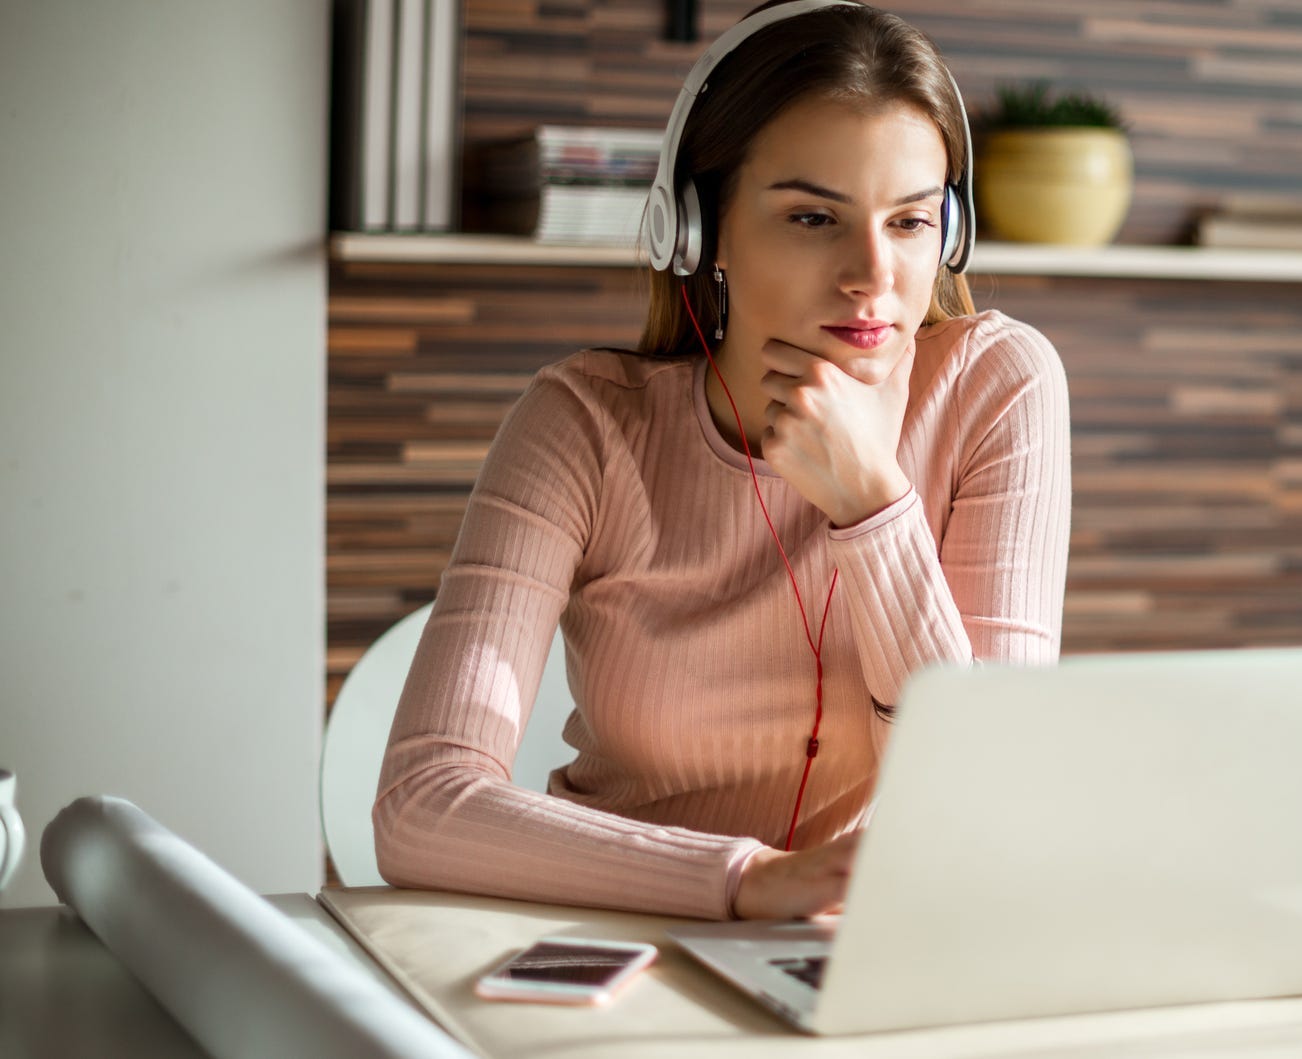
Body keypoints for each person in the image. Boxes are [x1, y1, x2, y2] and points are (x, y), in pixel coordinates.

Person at [371, 0, 1071, 922]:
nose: (872, 274)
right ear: (701, 234)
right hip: (623, 930)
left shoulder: (997, 385)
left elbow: (993, 801)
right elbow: (420, 808)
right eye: (814, 217)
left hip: (865, 956)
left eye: (908, 223)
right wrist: (745, 881)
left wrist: (871, 502)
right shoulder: (581, 424)